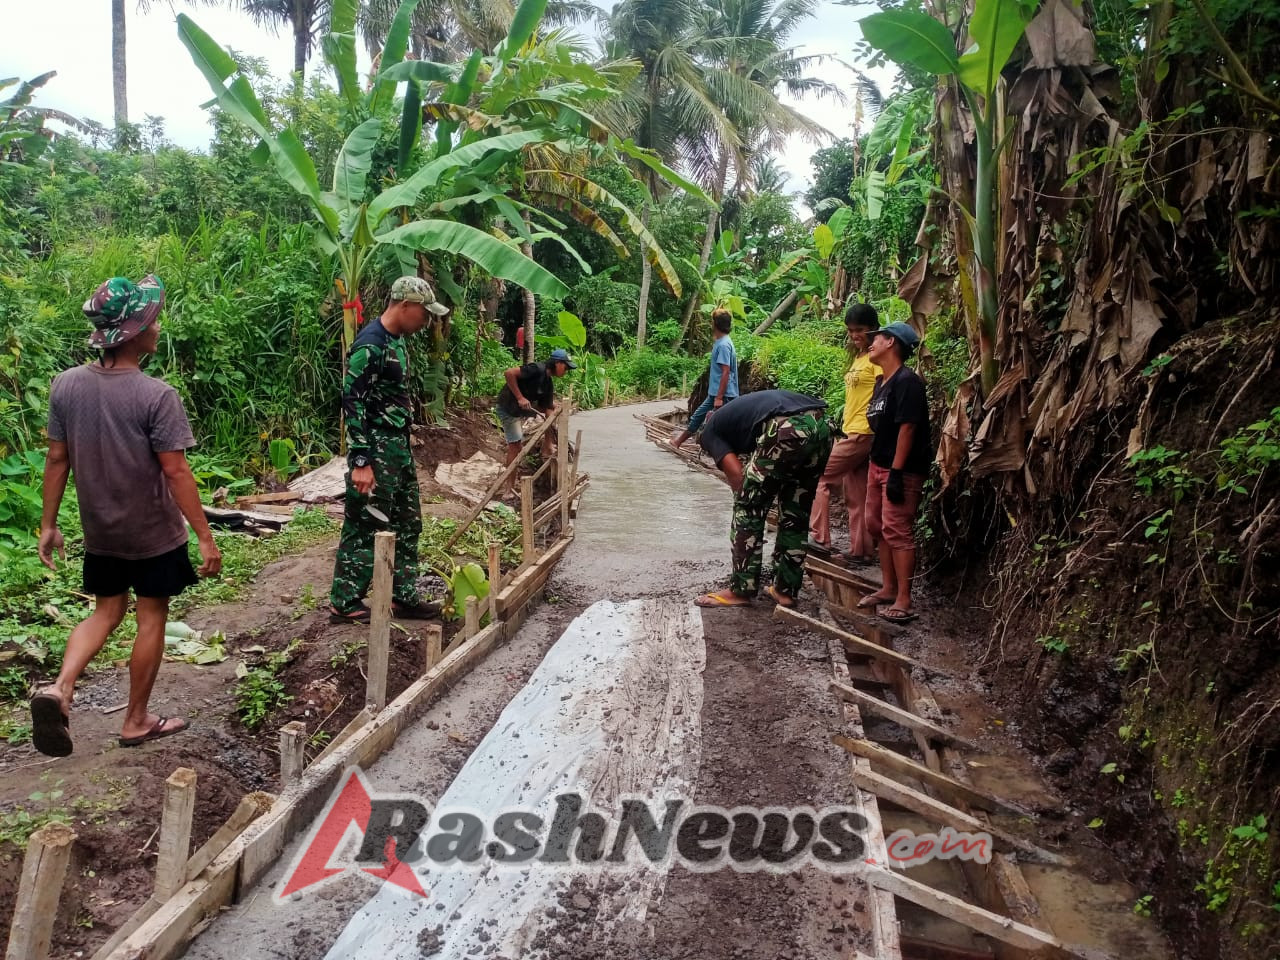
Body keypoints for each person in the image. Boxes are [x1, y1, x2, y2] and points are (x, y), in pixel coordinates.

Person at [31, 275, 223, 757]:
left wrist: (48, 524)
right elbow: (176, 471)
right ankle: (136, 720)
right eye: (151, 322)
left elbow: (57, 460)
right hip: (153, 532)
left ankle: (61, 687)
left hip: (101, 530)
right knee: (150, 616)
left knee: (105, 610)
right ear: (133, 334)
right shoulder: (156, 395)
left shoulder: (66, 386)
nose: (157, 328)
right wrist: (204, 537)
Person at [329, 276, 450, 624]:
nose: (426, 321)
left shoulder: (397, 342)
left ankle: (403, 595)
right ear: (405, 306)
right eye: (424, 314)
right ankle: (345, 601)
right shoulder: (370, 345)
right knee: (366, 522)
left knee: (408, 522)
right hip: (376, 447)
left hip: (397, 447)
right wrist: (361, 461)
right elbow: (353, 404)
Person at [694, 390, 834, 609]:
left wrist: (750, 498)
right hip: (822, 426)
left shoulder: (709, 432)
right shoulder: (738, 416)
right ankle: (785, 591)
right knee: (795, 512)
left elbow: (737, 477)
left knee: (747, 507)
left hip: (788, 428)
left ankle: (741, 590)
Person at [857, 321, 930, 624]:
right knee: (877, 525)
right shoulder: (881, 383)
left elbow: (908, 427)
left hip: (900, 468)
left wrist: (897, 472)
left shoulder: (907, 382)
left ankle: (904, 600)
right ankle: (887, 587)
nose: (871, 342)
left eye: (878, 338)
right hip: (878, 464)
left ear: (892, 343)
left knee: (898, 531)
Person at [809, 303, 881, 563]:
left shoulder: (877, 358)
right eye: (850, 331)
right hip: (852, 430)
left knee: (819, 477)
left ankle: (819, 538)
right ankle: (862, 550)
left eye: (859, 330)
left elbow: (886, 391)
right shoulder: (861, 357)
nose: (854, 335)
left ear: (873, 328)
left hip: (862, 432)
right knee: (856, 493)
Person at [495, 348, 575, 498]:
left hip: (521, 410)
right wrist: (520, 397)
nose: (566, 371)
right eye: (566, 367)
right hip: (508, 408)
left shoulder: (548, 384)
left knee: (551, 411)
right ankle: (508, 490)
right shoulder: (536, 369)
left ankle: (546, 448)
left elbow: (548, 411)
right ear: (557, 363)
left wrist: (548, 443)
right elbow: (509, 373)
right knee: (516, 446)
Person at [670, 307, 738, 449]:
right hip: (717, 393)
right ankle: (678, 442)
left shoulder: (724, 345)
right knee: (700, 418)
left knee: (711, 422)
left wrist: (719, 397)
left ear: (715, 324)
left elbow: (726, 372)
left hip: (722, 394)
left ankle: (678, 443)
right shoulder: (722, 342)